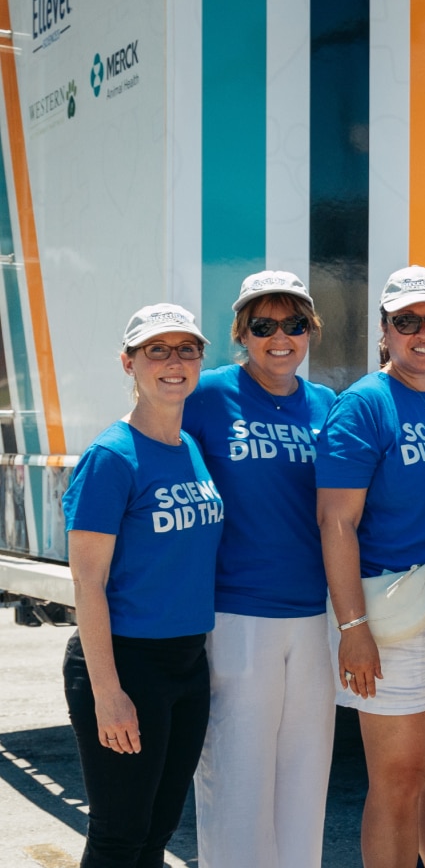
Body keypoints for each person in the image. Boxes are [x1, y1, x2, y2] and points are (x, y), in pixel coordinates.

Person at [317, 266, 425, 868]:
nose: (423, 333)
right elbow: (336, 524)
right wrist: (352, 629)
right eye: (406, 321)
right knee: (399, 781)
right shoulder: (364, 405)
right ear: (384, 331)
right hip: (393, 617)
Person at [63, 304, 225, 867]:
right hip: (125, 663)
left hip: (186, 663)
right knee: (119, 834)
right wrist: (109, 695)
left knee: (158, 830)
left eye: (186, 349)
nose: (174, 362)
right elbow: (87, 583)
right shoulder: (111, 457)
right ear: (128, 362)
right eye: (158, 350)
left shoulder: (190, 448)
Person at [184, 272, 337, 867]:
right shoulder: (206, 397)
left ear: (310, 332)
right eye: (263, 326)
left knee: (305, 780)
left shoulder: (326, 404)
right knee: (237, 783)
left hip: (315, 616)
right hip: (235, 613)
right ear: (241, 334)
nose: (280, 338)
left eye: (294, 325)